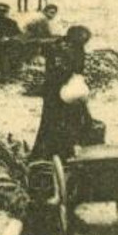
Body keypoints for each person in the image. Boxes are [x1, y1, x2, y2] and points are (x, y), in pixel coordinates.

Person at [31, 25, 97, 162]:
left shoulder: (71, 47)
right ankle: (58, 153)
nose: (84, 43)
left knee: (56, 122)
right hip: (58, 91)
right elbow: (60, 69)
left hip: (62, 90)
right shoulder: (61, 48)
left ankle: (58, 152)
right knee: (58, 122)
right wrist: (72, 78)